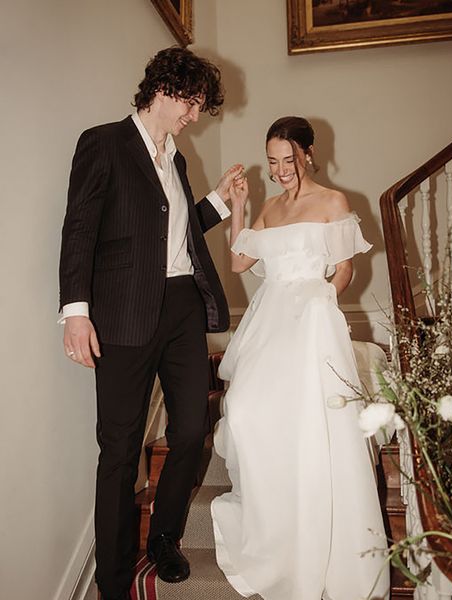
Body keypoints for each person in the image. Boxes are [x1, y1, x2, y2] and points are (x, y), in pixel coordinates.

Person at [59, 47, 243, 600]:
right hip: (122, 314)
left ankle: (163, 538)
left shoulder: (176, 158)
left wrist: (222, 202)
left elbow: (175, 230)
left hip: (182, 306)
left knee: (190, 428)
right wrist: (75, 312)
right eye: (192, 105)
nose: (195, 117)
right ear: (164, 89)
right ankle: (114, 582)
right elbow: (80, 231)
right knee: (119, 450)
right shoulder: (104, 143)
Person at [211, 116, 390, 600]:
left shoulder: (333, 202)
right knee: (246, 413)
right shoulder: (268, 206)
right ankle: (273, 523)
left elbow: (346, 269)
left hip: (313, 319)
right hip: (269, 319)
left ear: (308, 154)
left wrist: (321, 304)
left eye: (287, 159)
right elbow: (239, 262)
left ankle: (318, 534)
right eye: (272, 161)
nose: (280, 169)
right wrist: (240, 207)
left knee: (312, 425)